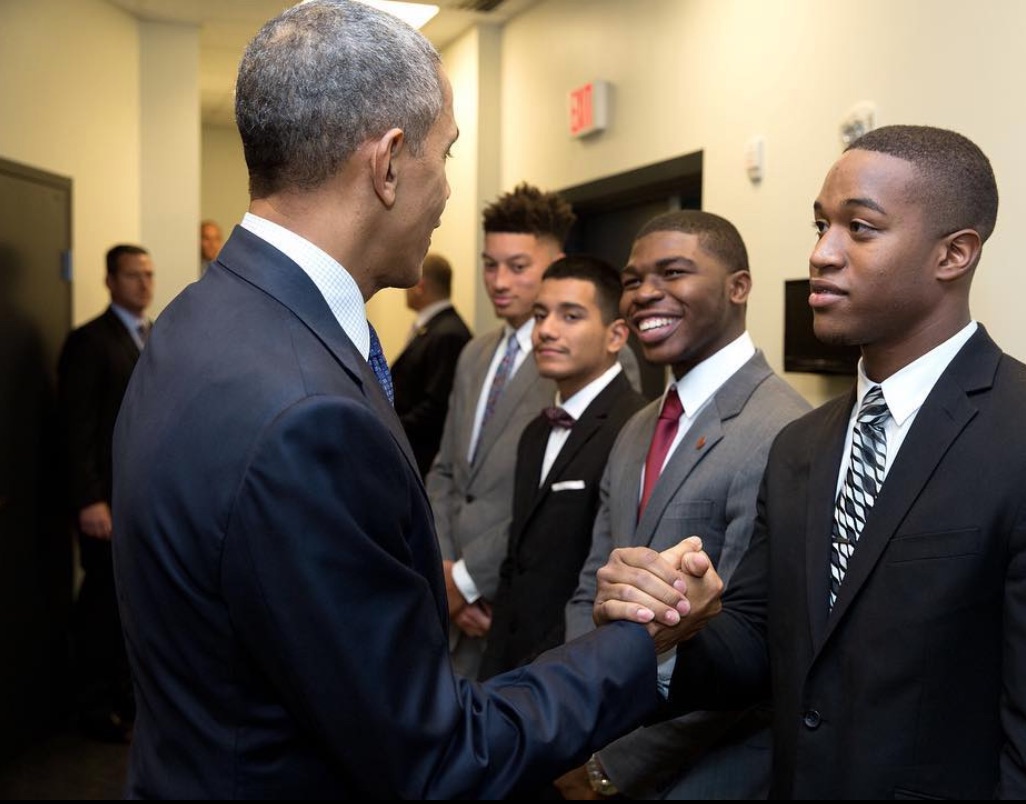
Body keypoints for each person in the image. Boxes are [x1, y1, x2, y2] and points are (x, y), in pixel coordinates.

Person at [109, 2, 718, 798]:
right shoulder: (304, 414)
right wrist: (643, 644)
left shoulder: (203, 316)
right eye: (446, 154)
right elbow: (435, 758)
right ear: (389, 164)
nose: (446, 192)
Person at [601, 125, 1026, 799]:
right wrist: (674, 627)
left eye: (859, 229)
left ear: (953, 253)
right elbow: (759, 646)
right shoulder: (801, 447)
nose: (820, 254)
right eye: (818, 225)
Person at [560, 211, 812, 800]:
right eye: (632, 279)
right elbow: (592, 589)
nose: (645, 294)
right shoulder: (639, 426)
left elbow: (753, 650)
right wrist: (569, 725)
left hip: (704, 771)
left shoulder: (785, 430)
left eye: (673, 272)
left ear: (738, 287)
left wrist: (610, 769)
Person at [428, 182, 639, 679]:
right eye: (489, 264)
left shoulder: (593, 357)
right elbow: (447, 472)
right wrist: (442, 571)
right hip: (452, 595)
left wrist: (467, 580)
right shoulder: (475, 353)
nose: (499, 280)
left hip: (523, 605)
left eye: (518, 266)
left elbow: (568, 502)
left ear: (554, 264)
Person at [479, 255, 647, 682]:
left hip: (575, 669)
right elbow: (516, 562)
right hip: (510, 670)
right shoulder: (535, 431)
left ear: (615, 336)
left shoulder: (635, 427)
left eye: (570, 316)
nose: (546, 330)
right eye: (540, 315)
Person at [57, 243, 154, 743]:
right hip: (105, 504)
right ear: (110, 280)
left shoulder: (149, 335)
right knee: (99, 608)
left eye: (149, 274)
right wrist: (88, 499)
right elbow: (77, 428)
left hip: (140, 501)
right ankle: (90, 708)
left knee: (130, 606)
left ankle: (124, 699)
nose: (145, 284)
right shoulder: (90, 341)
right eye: (134, 276)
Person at [389, 251, 471, 477]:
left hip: (424, 458)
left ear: (420, 285)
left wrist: (388, 426)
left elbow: (437, 406)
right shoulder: (432, 328)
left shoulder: (448, 334)